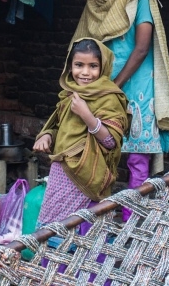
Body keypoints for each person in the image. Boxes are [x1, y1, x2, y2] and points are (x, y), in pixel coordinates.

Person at [72, 0, 169, 221]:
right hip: (104, 87)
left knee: (136, 159)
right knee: (99, 154)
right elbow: (82, 49)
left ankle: (132, 222)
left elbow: (142, 48)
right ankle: (95, 221)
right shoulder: (93, 5)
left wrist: (115, 86)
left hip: (136, 87)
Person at [33, 38, 130, 226]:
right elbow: (59, 127)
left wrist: (87, 115)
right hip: (62, 172)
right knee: (54, 228)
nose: (85, 72)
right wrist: (46, 135)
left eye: (93, 66)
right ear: (69, 67)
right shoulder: (69, 95)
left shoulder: (109, 98)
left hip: (89, 174)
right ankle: (55, 256)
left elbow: (110, 142)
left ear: (103, 68)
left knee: (84, 229)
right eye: (79, 65)